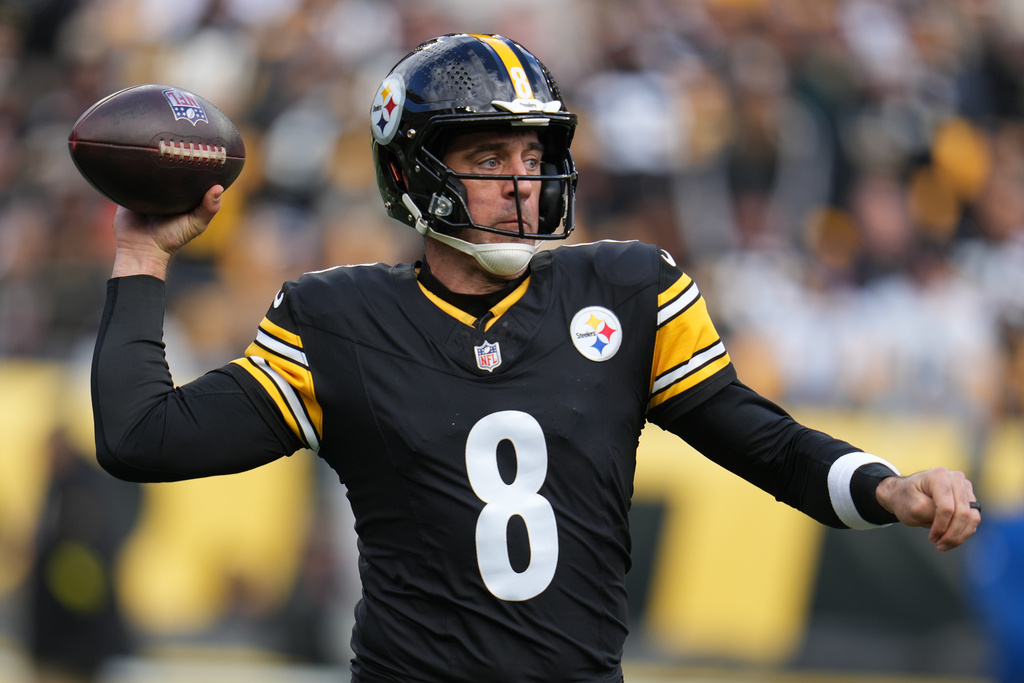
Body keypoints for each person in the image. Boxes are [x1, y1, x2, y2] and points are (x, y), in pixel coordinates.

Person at [91, 34, 981, 683]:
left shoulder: (628, 289)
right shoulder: (337, 316)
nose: (523, 182)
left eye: (534, 153)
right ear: (412, 174)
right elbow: (142, 437)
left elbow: (764, 442)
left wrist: (884, 488)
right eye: (488, 155)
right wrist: (143, 253)